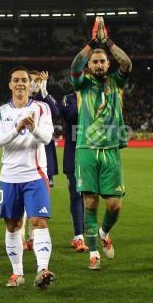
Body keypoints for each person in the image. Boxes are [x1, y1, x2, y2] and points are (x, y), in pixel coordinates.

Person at [70, 17, 132, 270]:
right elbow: (75, 64)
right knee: (90, 203)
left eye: (102, 61)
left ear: (108, 63)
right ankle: (93, 252)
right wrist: (91, 44)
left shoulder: (116, 81)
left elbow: (127, 63)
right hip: (86, 149)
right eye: (94, 61)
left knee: (114, 205)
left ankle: (105, 233)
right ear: (89, 66)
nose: (98, 64)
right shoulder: (82, 83)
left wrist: (107, 43)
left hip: (110, 151)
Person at [0, 66, 55, 288]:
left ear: (30, 85)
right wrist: (17, 129)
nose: (20, 83)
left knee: (39, 221)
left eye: (24, 80)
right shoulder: (0, 111)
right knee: (13, 225)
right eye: (16, 80)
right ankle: (17, 273)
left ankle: (42, 269)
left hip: (35, 175)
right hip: (9, 176)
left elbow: (47, 138)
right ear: (10, 84)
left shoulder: (42, 108)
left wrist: (34, 128)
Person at [20, 71, 60, 251]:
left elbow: (56, 112)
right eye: (33, 81)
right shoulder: (20, 102)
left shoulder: (43, 103)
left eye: (38, 81)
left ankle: (33, 238)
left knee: (37, 200)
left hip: (43, 159)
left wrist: (44, 88)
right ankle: (20, 238)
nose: (35, 83)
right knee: (22, 202)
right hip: (22, 159)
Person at [60, 92, 88, 251]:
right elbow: (71, 117)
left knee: (91, 196)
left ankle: (91, 233)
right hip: (73, 155)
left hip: (93, 153)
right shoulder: (68, 98)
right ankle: (79, 236)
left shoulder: (98, 94)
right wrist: (80, 99)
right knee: (76, 195)